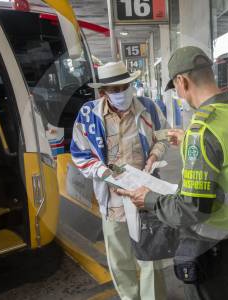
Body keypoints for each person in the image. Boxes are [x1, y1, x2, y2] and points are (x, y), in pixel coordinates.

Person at [118, 46, 228, 300]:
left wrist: (149, 199)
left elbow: (191, 208)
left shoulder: (203, 132)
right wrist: (189, 139)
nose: (178, 94)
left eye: (175, 88)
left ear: (182, 81)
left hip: (211, 251)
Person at [70, 61, 169, 300]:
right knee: (119, 256)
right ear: (103, 92)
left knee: (150, 254)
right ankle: (129, 297)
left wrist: (155, 155)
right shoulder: (89, 114)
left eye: (125, 86)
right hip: (112, 199)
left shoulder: (148, 108)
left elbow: (163, 137)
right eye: (114, 89)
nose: (121, 92)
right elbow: (79, 153)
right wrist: (103, 173)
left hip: (145, 195)